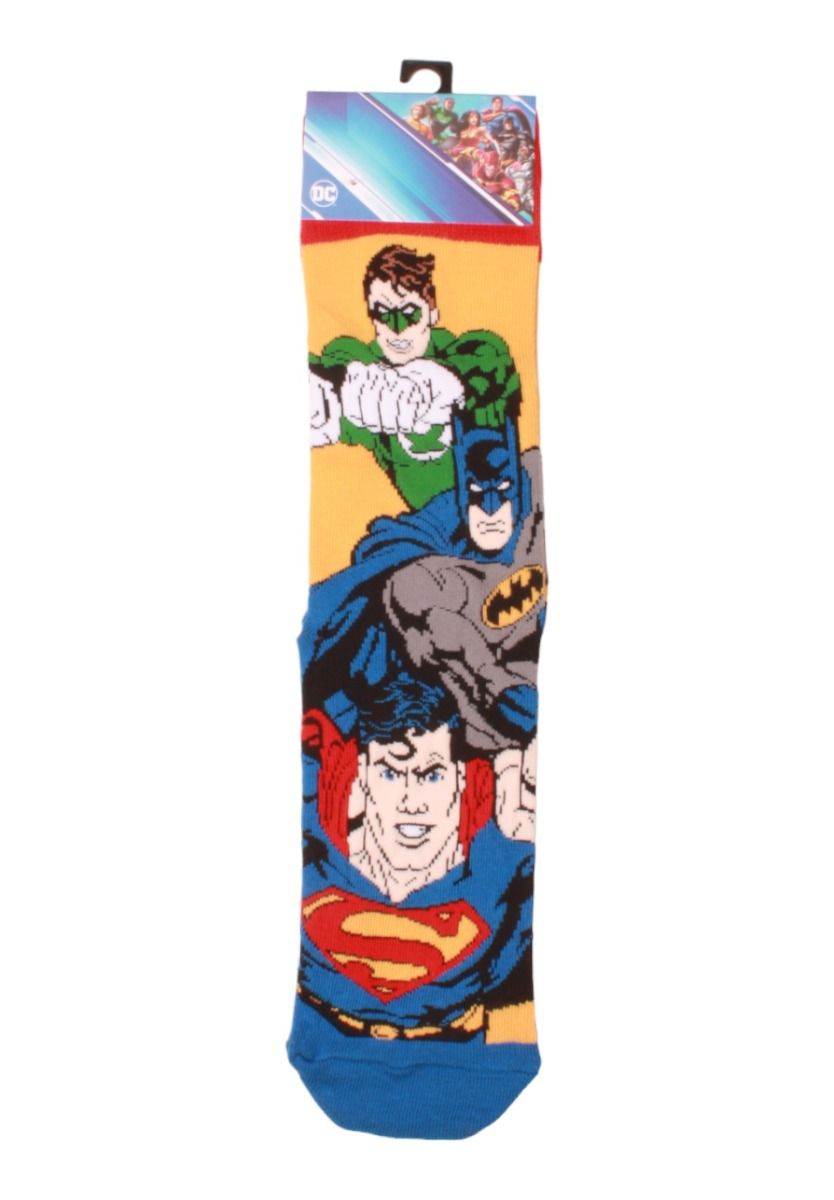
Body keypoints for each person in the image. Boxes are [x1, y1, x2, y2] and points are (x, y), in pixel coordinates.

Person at [301, 412, 546, 754]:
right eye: (478, 493)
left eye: (502, 491)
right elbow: (398, 564)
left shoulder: (531, 498)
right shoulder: (437, 532)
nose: (491, 509)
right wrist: (489, 675)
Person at [308, 244, 522, 509]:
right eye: (382, 314)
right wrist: (327, 391)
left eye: (410, 314)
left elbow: (488, 362)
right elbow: (340, 360)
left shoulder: (470, 355)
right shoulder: (371, 373)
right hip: (427, 524)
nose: (396, 330)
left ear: (432, 312)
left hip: (502, 505)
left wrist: (438, 383)